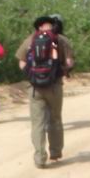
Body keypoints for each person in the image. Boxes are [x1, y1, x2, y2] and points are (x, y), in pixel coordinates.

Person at [15, 14, 74, 168]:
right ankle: (55, 152)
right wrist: (62, 71)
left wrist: (32, 75)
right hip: (54, 87)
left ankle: (40, 158)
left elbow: (21, 63)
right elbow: (68, 62)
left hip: (35, 88)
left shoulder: (30, 40)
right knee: (55, 119)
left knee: (37, 124)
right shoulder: (61, 40)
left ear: (39, 27)